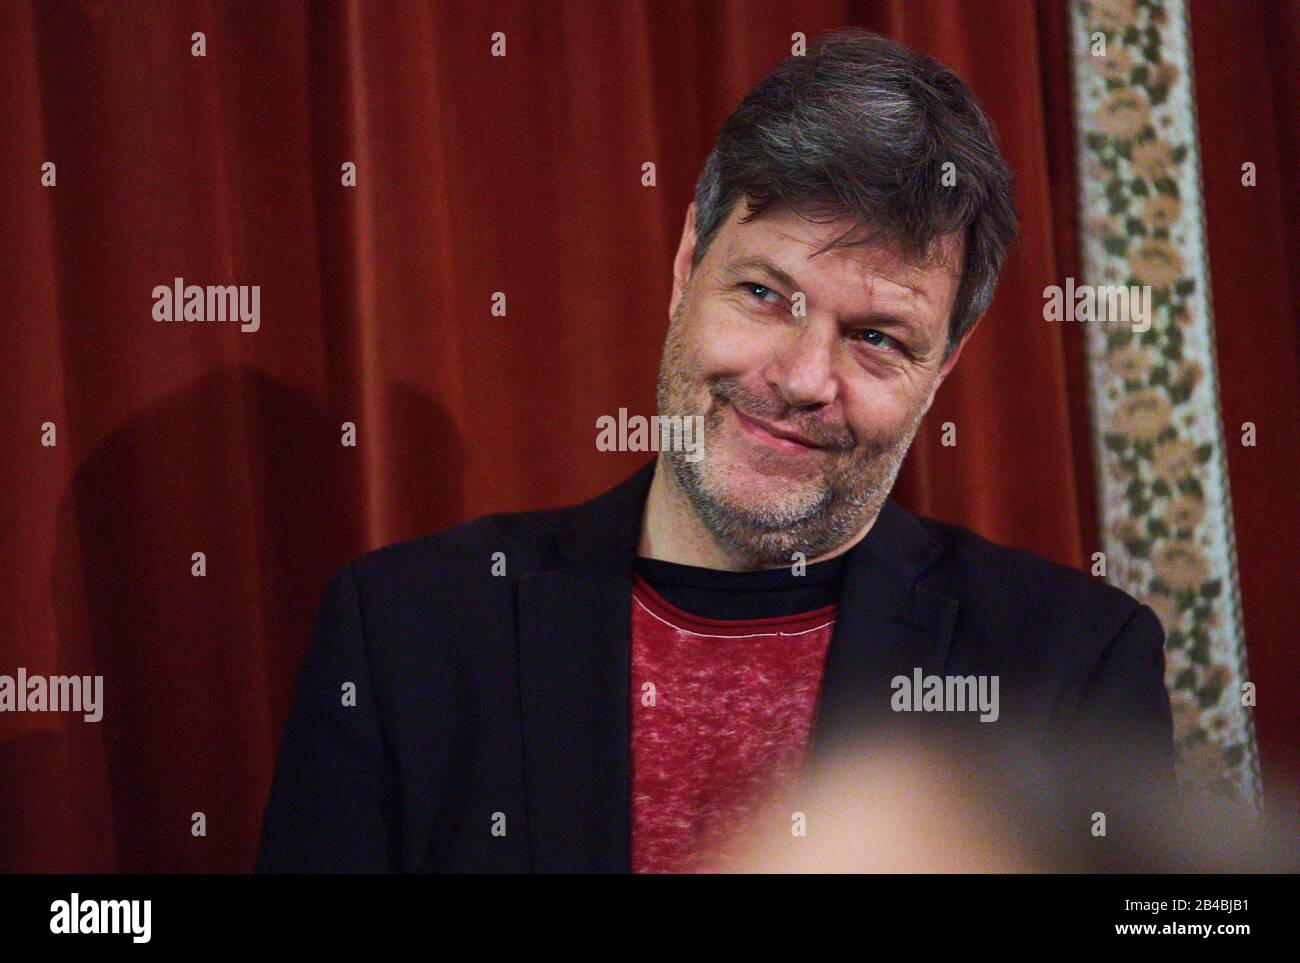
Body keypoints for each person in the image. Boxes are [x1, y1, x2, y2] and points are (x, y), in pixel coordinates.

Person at [255, 27, 1174, 874]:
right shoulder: (403, 632)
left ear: (944, 368)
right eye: (767, 294)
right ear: (687, 268)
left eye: (878, 338)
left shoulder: (1077, 667)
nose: (804, 375)